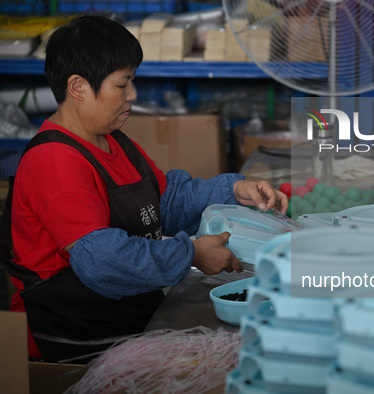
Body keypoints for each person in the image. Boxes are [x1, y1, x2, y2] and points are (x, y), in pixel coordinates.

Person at [2, 15, 288, 362]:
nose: (133, 95)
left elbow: (164, 200)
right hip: (72, 341)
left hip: (129, 320)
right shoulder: (54, 162)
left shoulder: (112, 142)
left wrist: (234, 189)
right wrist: (192, 254)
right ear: (78, 87)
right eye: (122, 85)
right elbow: (103, 262)